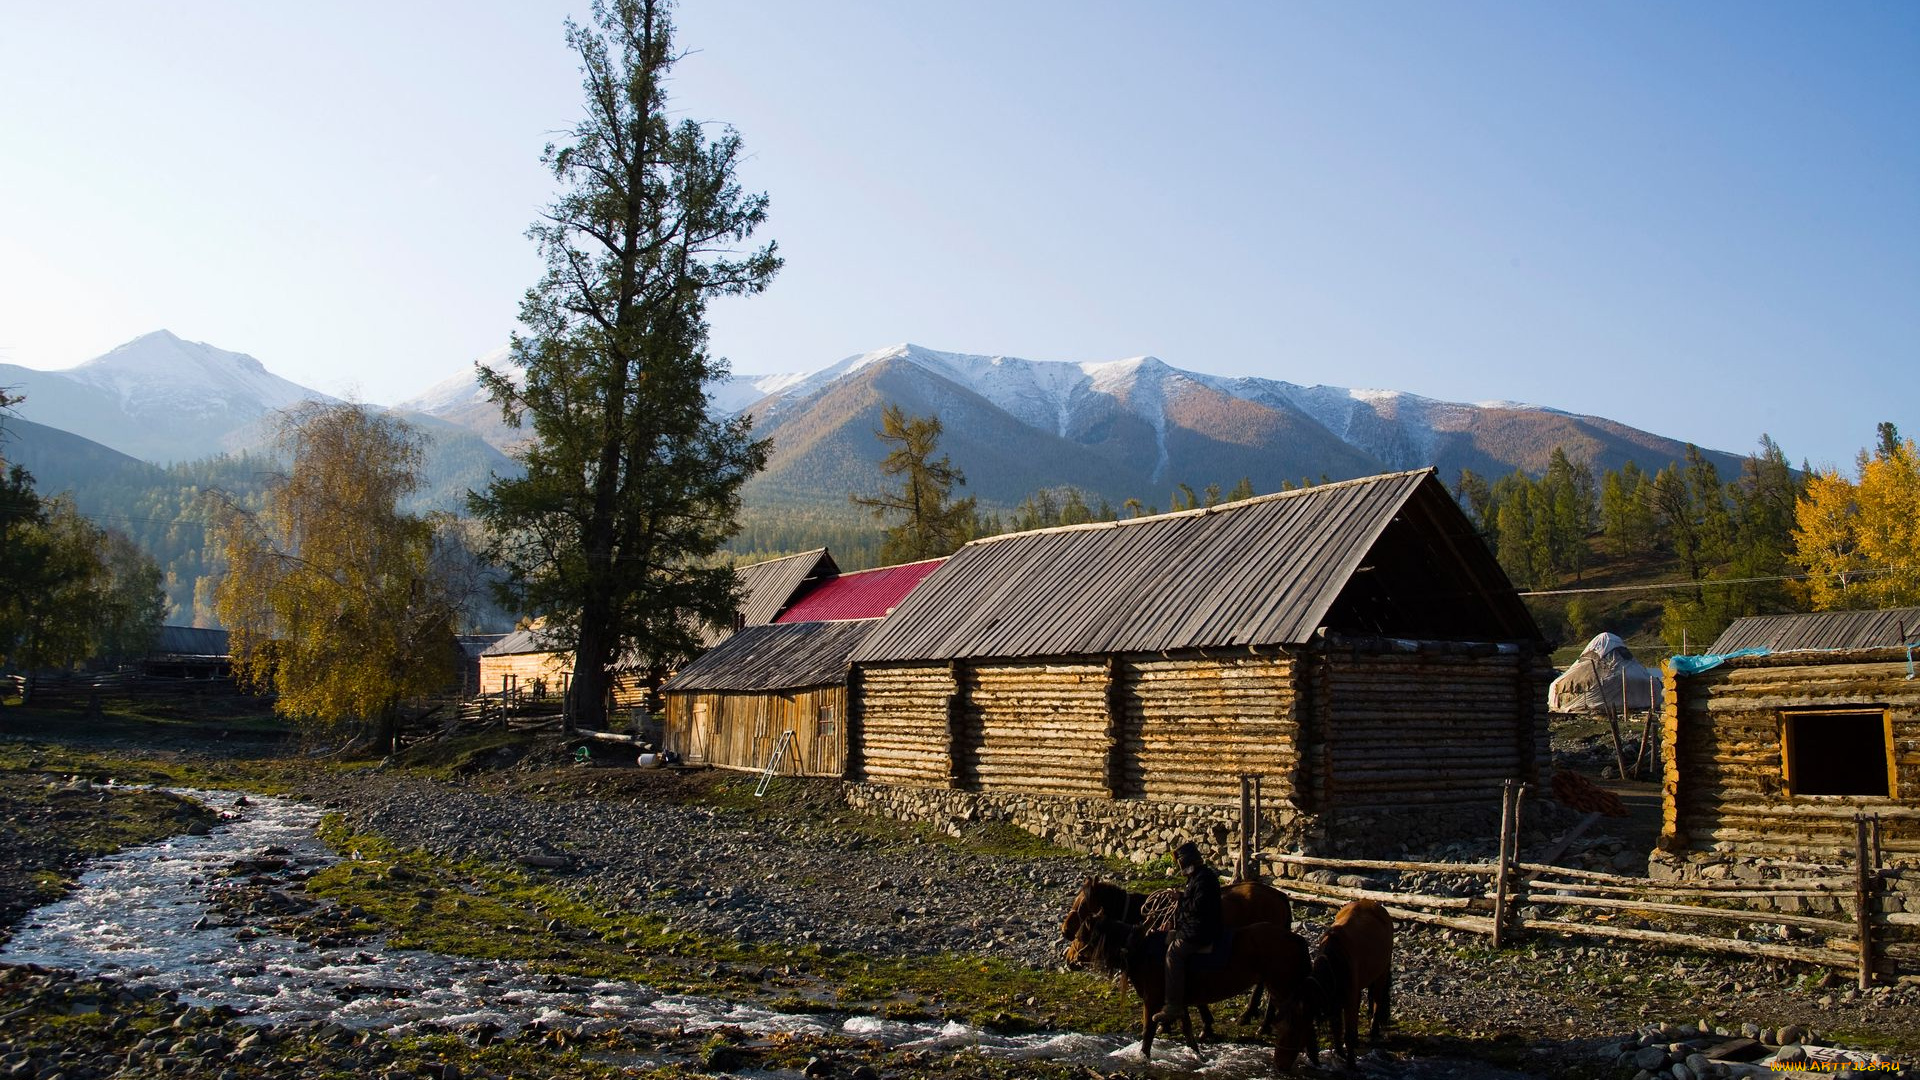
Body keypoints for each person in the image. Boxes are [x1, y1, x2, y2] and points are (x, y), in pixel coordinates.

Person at [1156, 840, 1223, 1026]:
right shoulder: (1197, 878)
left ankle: (1174, 1005)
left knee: (1173, 954)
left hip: (1201, 929)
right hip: (1193, 926)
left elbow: (1198, 906)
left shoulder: (1204, 879)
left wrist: (1182, 898)